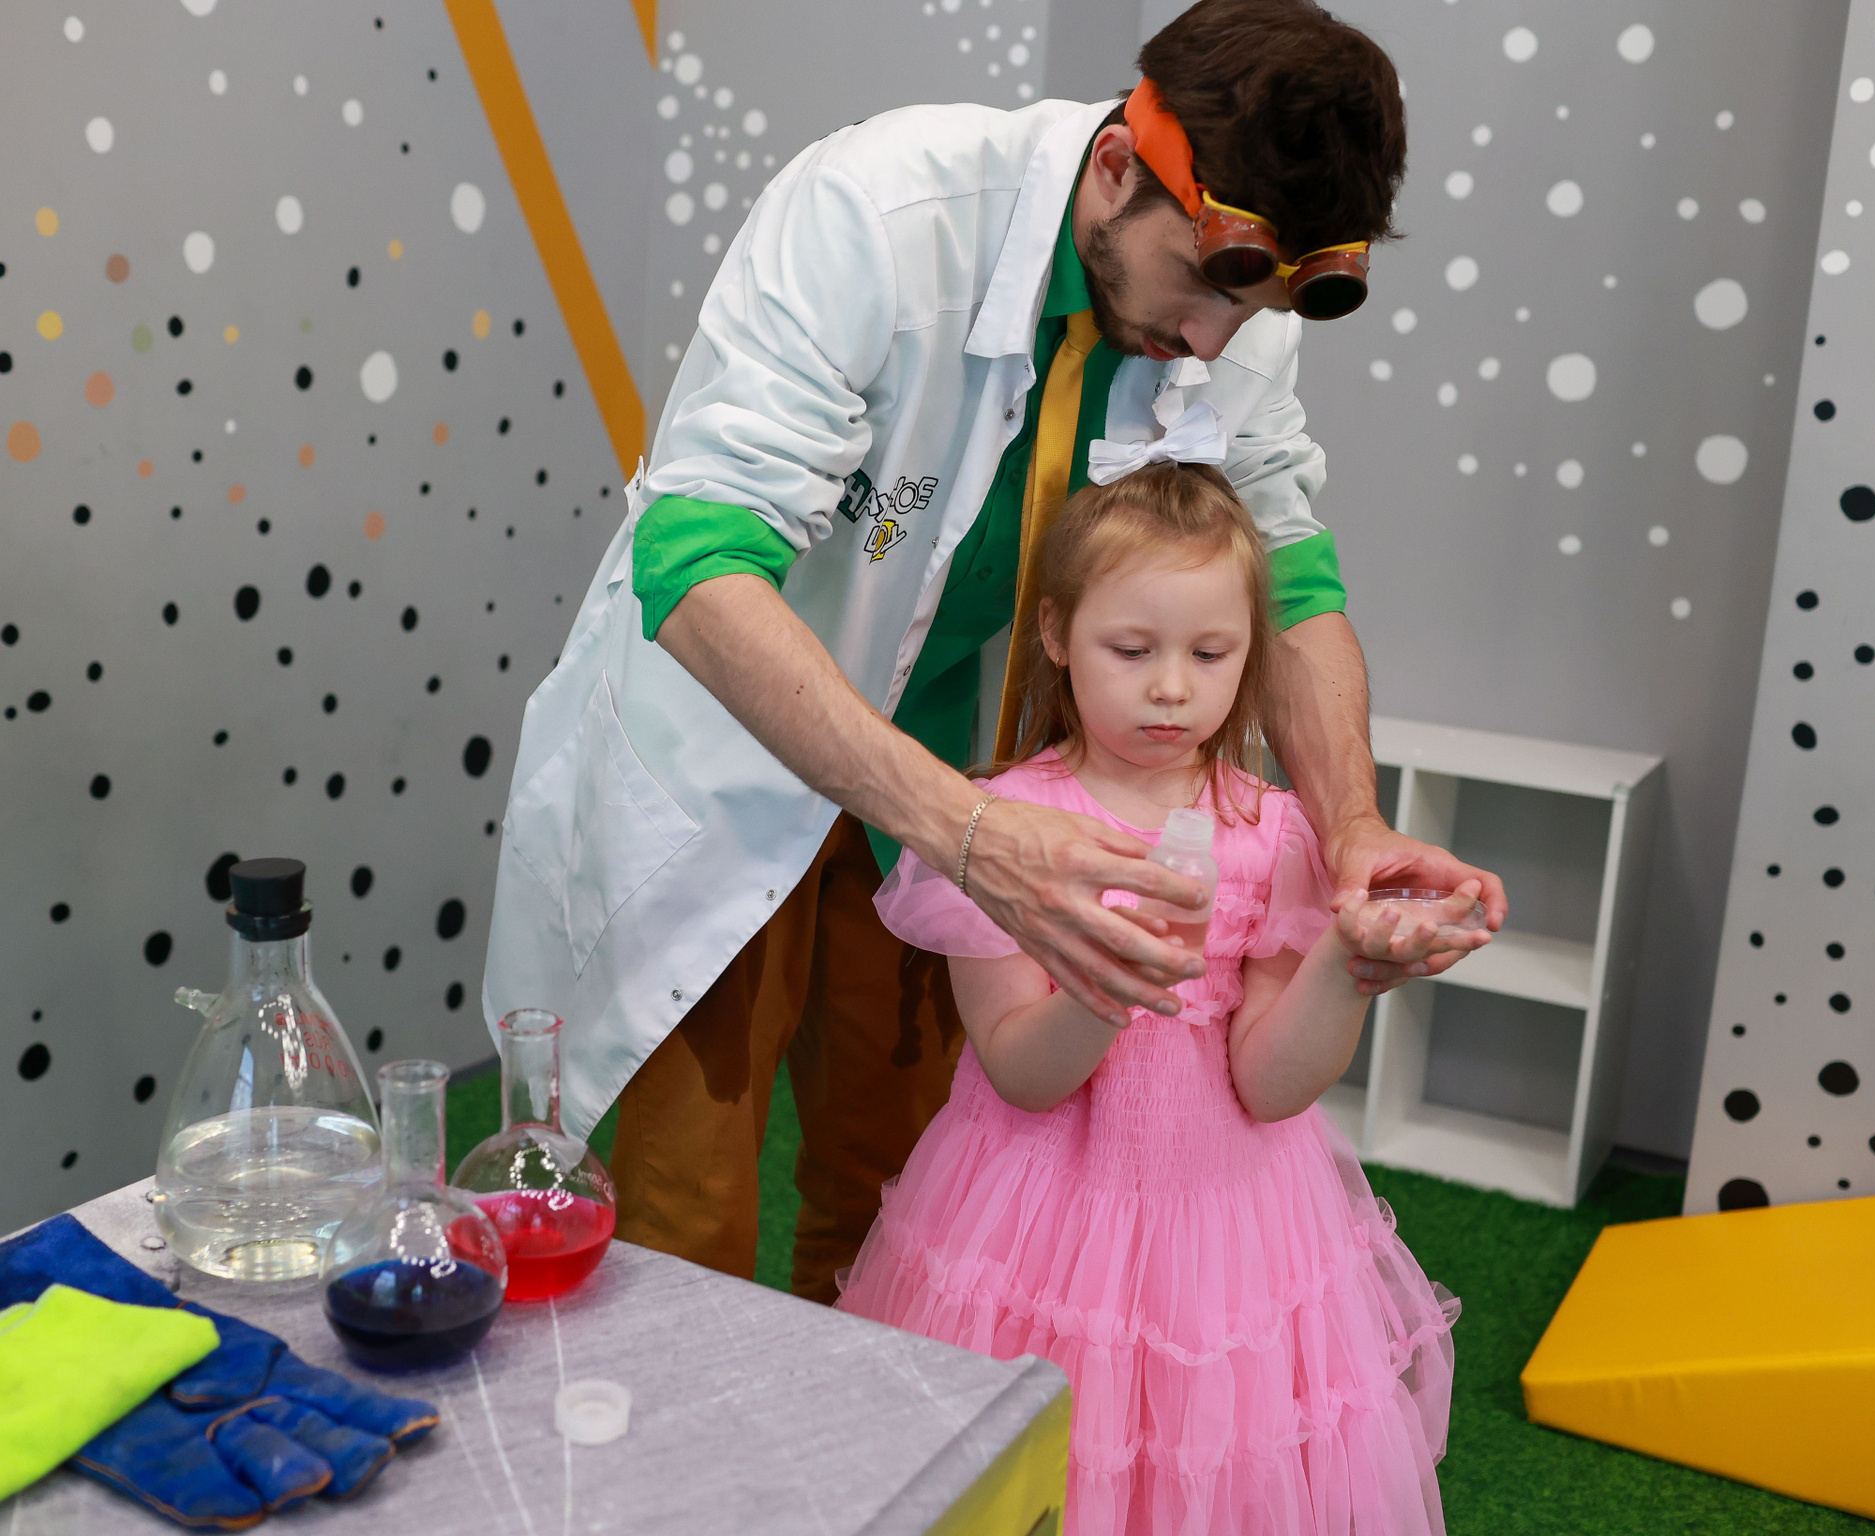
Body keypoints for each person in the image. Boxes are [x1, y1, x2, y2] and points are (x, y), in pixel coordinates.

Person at [481, 0, 1507, 1303]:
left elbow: (1292, 577)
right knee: (688, 1210)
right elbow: (693, 563)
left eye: (1250, 310)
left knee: (899, 1191)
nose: (1213, 342)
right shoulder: (875, 212)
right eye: (1204, 287)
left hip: (965, 769)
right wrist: (965, 835)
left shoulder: (1244, 306)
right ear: (1118, 168)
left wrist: (1352, 826)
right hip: (734, 751)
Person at [836, 459, 1466, 1534]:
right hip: (1036, 1227)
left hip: (1234, 1235)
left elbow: (1271, 1086)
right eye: (1132, 650)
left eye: (1211, 654)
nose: (1172, 687)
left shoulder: (1275, 832)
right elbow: (1022, 1073)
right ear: (1056, 633)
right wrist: (1113, 982)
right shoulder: (1003, 831)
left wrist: (1346, 968)